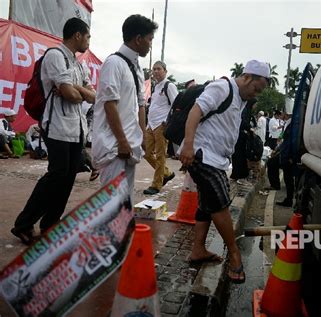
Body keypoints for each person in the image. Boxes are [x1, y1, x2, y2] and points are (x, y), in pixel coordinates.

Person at [179, 60, 270, 283]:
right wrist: (189, 146)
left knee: (206, 204)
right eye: (255, 89)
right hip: (203, 155)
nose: (254, 94)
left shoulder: (240, 98)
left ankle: (198, 249)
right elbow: (195, 111)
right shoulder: (222, 88)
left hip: (217, 159)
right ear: (247, 77)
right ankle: (235, 255)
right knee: (220, 204)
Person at [11, 18, 96, 244]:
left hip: (77, 129)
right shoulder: (55, 56)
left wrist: (76, 88)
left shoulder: (77, 64)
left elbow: (92, 94)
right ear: (77, 35)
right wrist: (77, 91)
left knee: (68, 177)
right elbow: (72, 95)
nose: (88, 41)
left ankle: (50, 223)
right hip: (57, 126)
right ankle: (23, 224)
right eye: (87, 36)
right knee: (57, 174)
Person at [91, 14, 158, 201]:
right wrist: (121, 141)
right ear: (138, 39)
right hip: (114, 146)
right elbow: (109, 104)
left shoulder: (136, 67)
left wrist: (142, 134)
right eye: (149, 39)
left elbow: (141, 104)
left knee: (124, 202)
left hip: (130, 144)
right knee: (112, 204)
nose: (150, 44)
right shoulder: (113, 63)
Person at [143, 61, 178, 195]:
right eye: (154, 69)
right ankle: (166, 173)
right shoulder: (155, 87)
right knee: (146, 154)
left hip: (161, 125)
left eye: (159, 69)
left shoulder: (169, 86)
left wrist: (167, 121)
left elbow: (176, 106)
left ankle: (156, 185)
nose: (156, 71)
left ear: (165, 71)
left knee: (160, 156)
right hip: (151, 125)